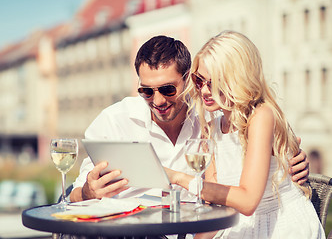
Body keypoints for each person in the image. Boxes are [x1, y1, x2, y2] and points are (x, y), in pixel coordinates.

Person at [69, 35, 309, 204]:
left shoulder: (215, 114)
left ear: (187, 79)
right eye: (146, 91)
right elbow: (73, 196)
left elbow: (267, 150)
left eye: (168, 89)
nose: (158, 100)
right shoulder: (114, 121)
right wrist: (90, 192)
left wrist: (292, 162)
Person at [165, 31, 324, 238]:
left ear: (237, 79)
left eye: (213, 83)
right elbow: (217, 204)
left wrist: (177, 177)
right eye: (199, 80)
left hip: (279, 225)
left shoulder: (261, 116)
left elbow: (248, 202)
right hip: (239, 224)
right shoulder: (211, 127)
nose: (204, 91)